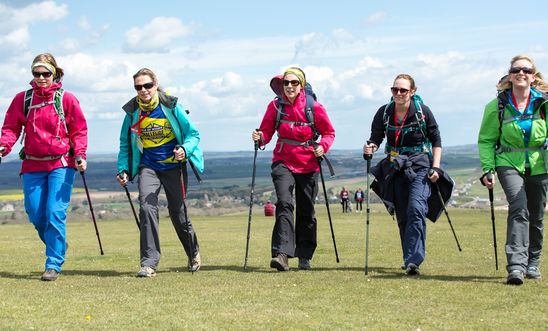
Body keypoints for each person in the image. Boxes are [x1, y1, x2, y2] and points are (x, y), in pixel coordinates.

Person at [0, 53, 88, 281]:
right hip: (32, 163)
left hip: (61, 163)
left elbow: (78, 129)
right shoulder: (23, 99)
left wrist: (79, 153)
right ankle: (57, 245)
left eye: (45, 73)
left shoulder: (66, 99)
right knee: (36, 213)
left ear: (54, 73)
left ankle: (53, 264)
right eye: (36, 73)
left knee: (54, 212)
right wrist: (4, 145)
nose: (41, 77)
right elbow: (10, 127)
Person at [116, 68, 204, 277]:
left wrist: (185, 149)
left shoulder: (171, 106)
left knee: (178, 213)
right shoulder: (132, 112)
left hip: (174, 166)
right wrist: (124, 169)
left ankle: (193, 252)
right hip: (149, 166)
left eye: (147, 85)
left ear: (155, 85)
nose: (144, 90)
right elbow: (124, 145)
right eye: (139, 87)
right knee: (147, 208)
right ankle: (149, 263)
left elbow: (193, 134)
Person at [252, 67, 335, 271]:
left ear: (302, 85)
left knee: (306, 209)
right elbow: (266, 132)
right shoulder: (275, 106)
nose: (289, 86)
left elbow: (329, 133)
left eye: (294, 83)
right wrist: (260, 137)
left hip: (308, 163)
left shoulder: (314, 107)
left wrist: (322, 147)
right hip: (283, 160)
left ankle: (304, 255)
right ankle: (282, 254)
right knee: (284, 203)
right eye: (286, 83)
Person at [478, 55, 548, 285]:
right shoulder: (497, 106)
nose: (521, 73)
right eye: (516, 69)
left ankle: (532, 263)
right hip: (508, 161)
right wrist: (488, 169)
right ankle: (516, 267)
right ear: (510, 75)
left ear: (533, 76)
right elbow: (487, 140)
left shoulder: (544, 103)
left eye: (526, 70)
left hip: (539, 163)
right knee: (519, 208)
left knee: (536, 214)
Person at [363, 73, 442, 276]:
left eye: (403, 90)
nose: (398, 93)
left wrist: (436, 167)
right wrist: (370, 147)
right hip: (394, 165)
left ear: (412, 92)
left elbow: (436, 140)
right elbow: (376, 138)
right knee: (403, 214)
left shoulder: (422, 112)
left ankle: (414, 259)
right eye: (395, 89)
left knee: (416, 207)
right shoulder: (384, 112)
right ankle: (409, 259)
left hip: (420, 165)